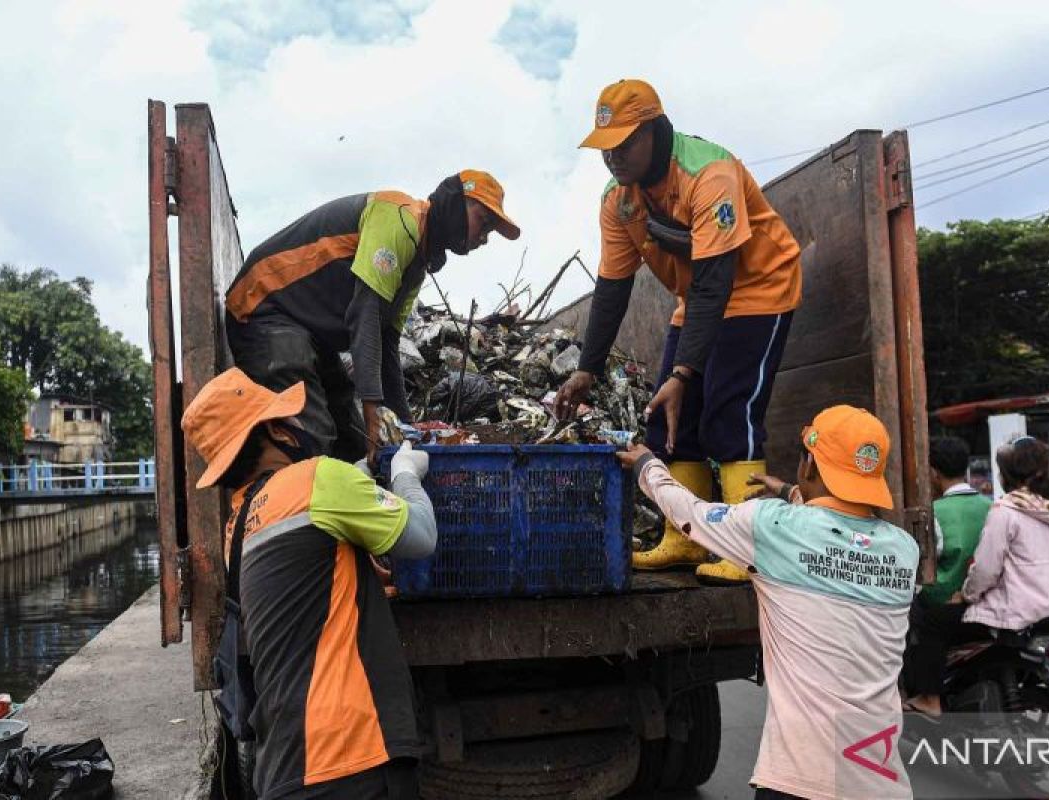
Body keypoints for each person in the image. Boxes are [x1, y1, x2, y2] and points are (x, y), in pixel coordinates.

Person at [555, 78, 803, 585]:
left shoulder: (708, 173)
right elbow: (611, 289)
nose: (613, 158)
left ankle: (744, 544)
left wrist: (684, 371)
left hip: (757, 289)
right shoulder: (618, 201)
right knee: (670, 418)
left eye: (623, 144)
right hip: (697, 302)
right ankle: (686, 537)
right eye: (605, 148)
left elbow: (718, 282)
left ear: (654, 130)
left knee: (731, 411)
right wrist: (587, 369)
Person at [618, 406, 919, 800]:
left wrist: (647, 465)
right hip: (881, 784)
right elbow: (840, 530)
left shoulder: (772, 527)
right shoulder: (903, 551)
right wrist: (789, 492)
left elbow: (690, 515)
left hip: (801, 784)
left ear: (808, 465)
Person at [181, 367, 437, 799]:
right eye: (288, 417)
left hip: (284, 769)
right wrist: (407, 474)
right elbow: (421, 537)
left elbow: (307, 572)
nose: (298, 424)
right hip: (352, 756)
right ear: (276, 433)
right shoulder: (317, 478)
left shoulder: (237, 527)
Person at [225, 171, 519, 465]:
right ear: (455, 203)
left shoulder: (417, 262)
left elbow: (387, 341)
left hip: (307, 331)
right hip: (261, 307)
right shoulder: (398, 217)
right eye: (484, 221)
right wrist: (372, 408)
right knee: (312, 435)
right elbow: (365, 314)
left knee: (353, 440)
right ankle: (283, 506)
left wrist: (405, 427)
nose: (484, 237)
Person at [963, 436, 1049, 633]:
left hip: (1021, 613)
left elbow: (986, 571)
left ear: (1005, 476)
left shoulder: (1004, 511)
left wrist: (968, 593)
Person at [902, 436, 991, 717]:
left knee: (911, 616)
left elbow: (923, 563)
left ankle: (926, 696)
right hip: (988, 602)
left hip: (947, 602)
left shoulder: (934, 513)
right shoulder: (991, 507)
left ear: (933, 473)